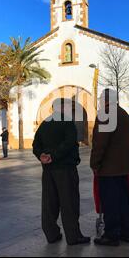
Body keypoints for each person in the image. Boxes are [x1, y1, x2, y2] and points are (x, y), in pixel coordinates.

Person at [33, 98, 90, 246]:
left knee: (49, 203)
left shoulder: (45, 123)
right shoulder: (67, 122)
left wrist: (42, 155)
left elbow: (35, 144)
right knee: (69, 202)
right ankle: (73, 236)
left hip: (48, 170)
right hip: (65, 169)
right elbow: (69, 143)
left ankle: (51, 234)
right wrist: (55, 156)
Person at [91, 89, 129, 247]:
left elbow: (100, 143)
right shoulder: (124, 114)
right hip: (123, 167)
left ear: (105, 100)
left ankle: (111, 235)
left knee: (110, 203)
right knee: (123, 201)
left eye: (101, 99)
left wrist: (95, 164)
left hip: (108, 169)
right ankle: (127, 232)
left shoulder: (106, 114)